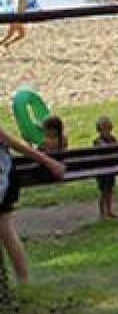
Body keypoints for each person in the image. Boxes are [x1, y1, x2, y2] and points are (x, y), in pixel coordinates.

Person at [1, 123, 66, 286]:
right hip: (6, 176)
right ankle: (16, 281)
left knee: (5, 229)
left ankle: (22, 280)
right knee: (5, 230)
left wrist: (49, 162)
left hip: (3, 179)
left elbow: (11, 142)